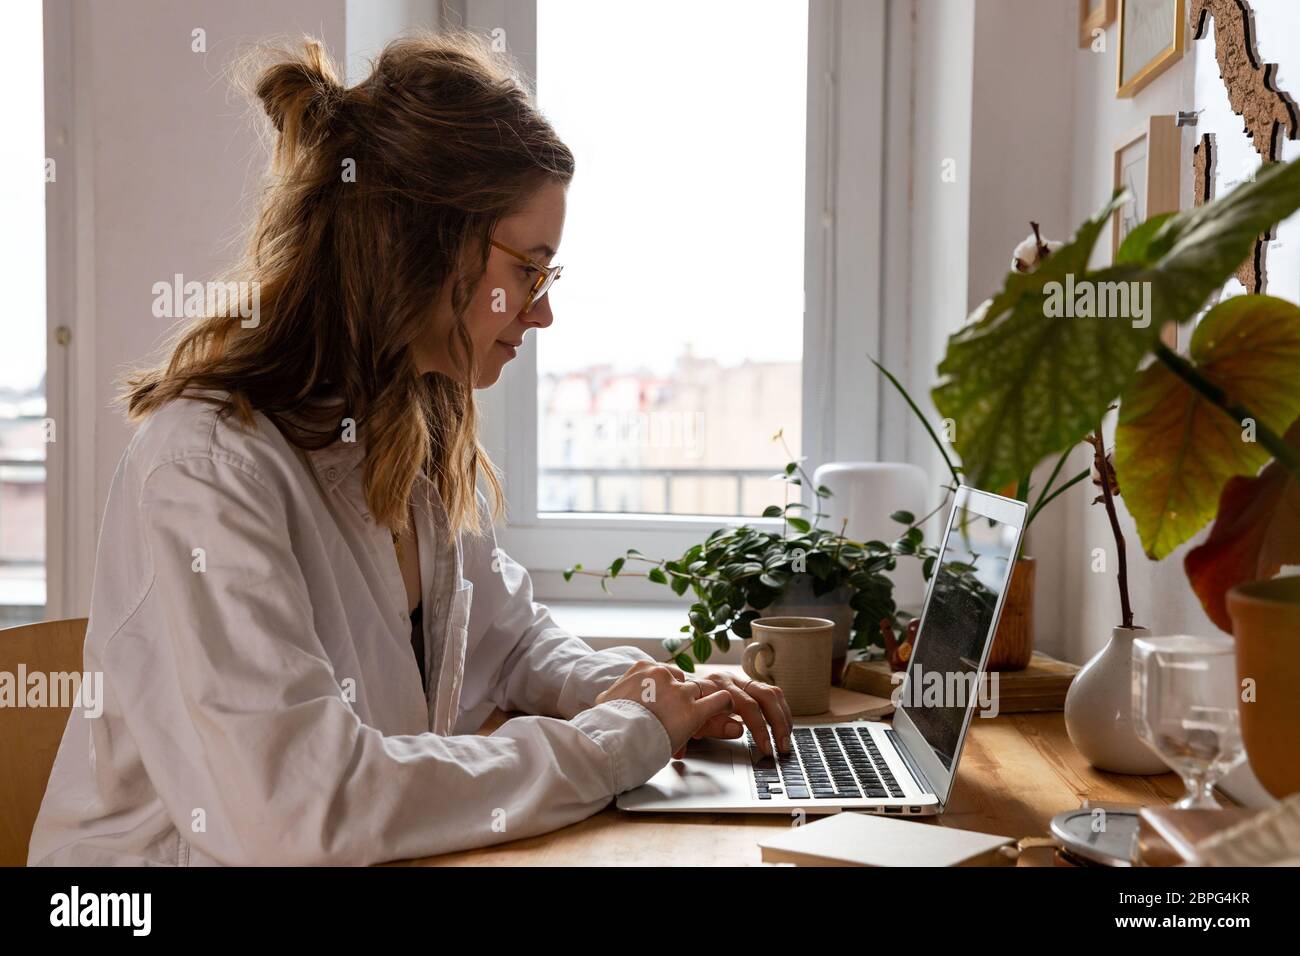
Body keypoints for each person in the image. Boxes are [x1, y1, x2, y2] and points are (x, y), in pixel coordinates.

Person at [28, 30, 791, 867]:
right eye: (530, 270)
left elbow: (508, 639)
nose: (542, 313)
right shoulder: (209, 469)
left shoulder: (412, 424)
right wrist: (617, 741)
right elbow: (306, 810)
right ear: (425, 243)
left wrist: (654, 694)